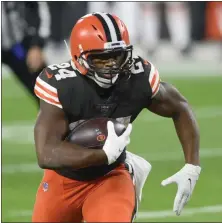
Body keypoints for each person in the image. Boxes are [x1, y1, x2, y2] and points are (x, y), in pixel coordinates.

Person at [32, 12, 201, 222]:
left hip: (111, 177)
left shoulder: (138, 78)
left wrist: (192, 166)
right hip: (63, 179)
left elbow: (180, 107)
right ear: (79, 56)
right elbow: (46, 153)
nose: (111, 66)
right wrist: (102, 155)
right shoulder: (62, 84)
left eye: (117, 56)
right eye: (101, 59)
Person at [2, 2, 50, 105]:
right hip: (14, 44)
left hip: (17, 46)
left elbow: (35, 7)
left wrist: (35, 44)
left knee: (47, 94)